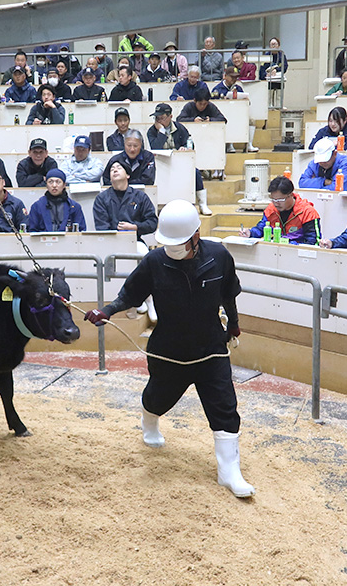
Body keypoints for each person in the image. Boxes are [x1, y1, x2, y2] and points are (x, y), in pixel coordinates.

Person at [84, 199, 255, 498]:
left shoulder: (219, 257)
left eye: (179, 245)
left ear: (196, 237)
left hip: (211, 348)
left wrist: (234, 325)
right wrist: (107, 311)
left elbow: (230, 295)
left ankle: (229, 471)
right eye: (168, 245)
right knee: (158, 399)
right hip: (168, 349)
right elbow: (130, 294)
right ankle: (149, 421)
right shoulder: (154, 262)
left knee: (225, 406)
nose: (173, 250)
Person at [147, 103, 211, 215]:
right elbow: (155, 147)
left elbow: (190, 144)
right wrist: (161, 131)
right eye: (157, 118)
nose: (159, 121)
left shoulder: (180, 128)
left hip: (179, 162)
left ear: (170, 116)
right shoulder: (152, 131)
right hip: (160, 164)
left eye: (162, 118)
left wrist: (185, 148)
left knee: (195, 172)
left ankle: (202, 204)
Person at [239, 176, 321, 245]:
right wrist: (250, 233)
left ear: (291, 195)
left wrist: (292, 245)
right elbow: (261, 228)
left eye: (280, 200)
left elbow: (313, 242)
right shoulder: (271, 209)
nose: (276, 204)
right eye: (273, 199)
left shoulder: (308, 212)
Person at [94, 159, 157, 240]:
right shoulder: (101, 198)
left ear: (128, 175)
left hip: (135, 240)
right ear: (110, 178)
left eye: (119, 168)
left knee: (143, 251)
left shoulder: (140, 196)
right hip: (110, 242)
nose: (115, 170)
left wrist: (135, 227)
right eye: (112, 169)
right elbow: (102, 227)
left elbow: (152, 222)